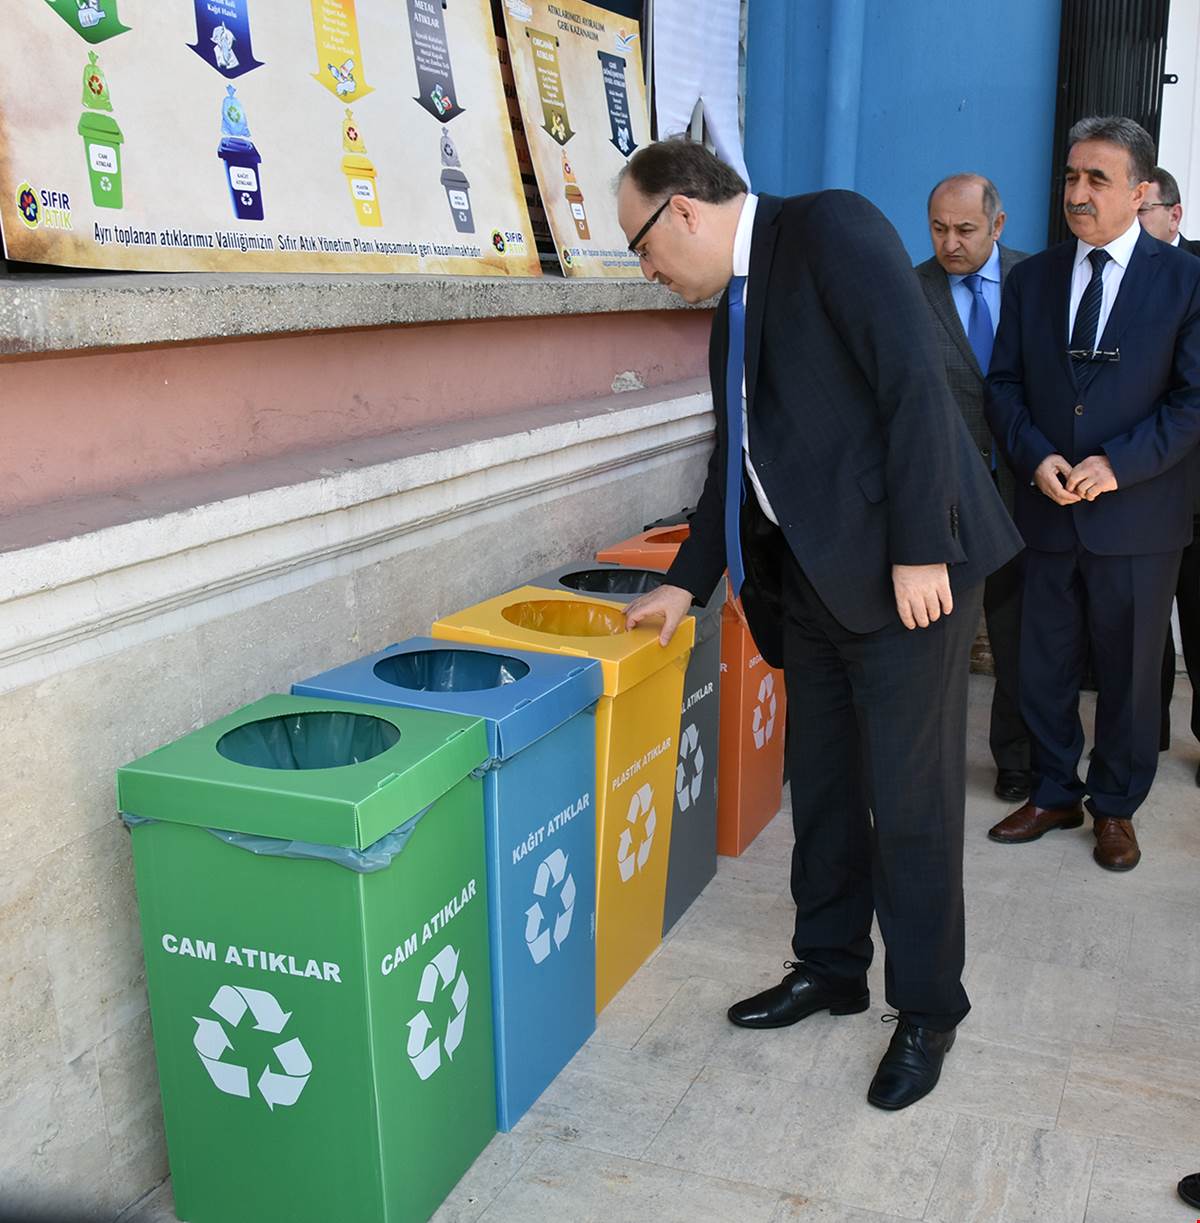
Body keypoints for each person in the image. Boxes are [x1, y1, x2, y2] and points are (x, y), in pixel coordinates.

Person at [615, 138, 1021, 1110]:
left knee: (912, 808)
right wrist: (686, 582)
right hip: (812, 589)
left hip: (903, 581)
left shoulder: (828, 227)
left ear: (682, 211)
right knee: (827, 791)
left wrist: (922, 545)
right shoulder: (732, 306)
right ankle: (830, 964)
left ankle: (927, 1008)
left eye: (639, 244)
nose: (645, 270)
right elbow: (736, 460)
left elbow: (915, 384)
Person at [985, 117, 1200, 869]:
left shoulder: (1186, 281)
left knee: (1132, 675)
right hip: (1045, 510)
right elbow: (1004, 386)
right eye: (1071, 177)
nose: (1077, 192)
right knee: (1041, 664)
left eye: (1097, 179)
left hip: (1138, 517)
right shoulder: (1032, 278)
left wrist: (1117, 462)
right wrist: (1035, 455)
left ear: (1141, 191)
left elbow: (1192, 400)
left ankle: (1114, 806)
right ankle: (1052, 789)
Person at [916, 173, 1032, 802]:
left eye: (965, 229)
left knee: (1017, 636)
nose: (950, 243)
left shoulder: (1035, 282)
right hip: (948, 493)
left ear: (997, 224)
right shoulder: (911, 290)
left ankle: (1015, 759)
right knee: (939, 641)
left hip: (1022, 488)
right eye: (938, 228)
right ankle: (931, 763)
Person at [1137, 166, 1200, 784]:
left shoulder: (1195, 275)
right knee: (1145, 627)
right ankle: (1145, 736)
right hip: (1138, 486)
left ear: (1174, 215)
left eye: (1144, 210)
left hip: (1196, 484)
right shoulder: (1111, 275)